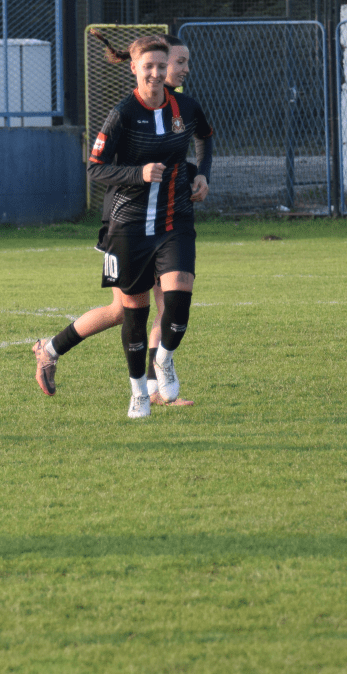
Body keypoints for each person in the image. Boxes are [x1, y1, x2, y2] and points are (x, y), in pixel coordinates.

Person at [33, 35, 213, 418]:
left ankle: (156, 381)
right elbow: (96, 168)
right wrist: (138, 173)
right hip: (127, 224)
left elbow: (203, 139)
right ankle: (52, 350)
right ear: (137, 67)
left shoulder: (184, 107)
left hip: (172, 221)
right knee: (126, 311)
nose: (174, 70)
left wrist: (201, 174)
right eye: (174, 62)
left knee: (170, 303)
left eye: (172, 64)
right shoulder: (124, 113)